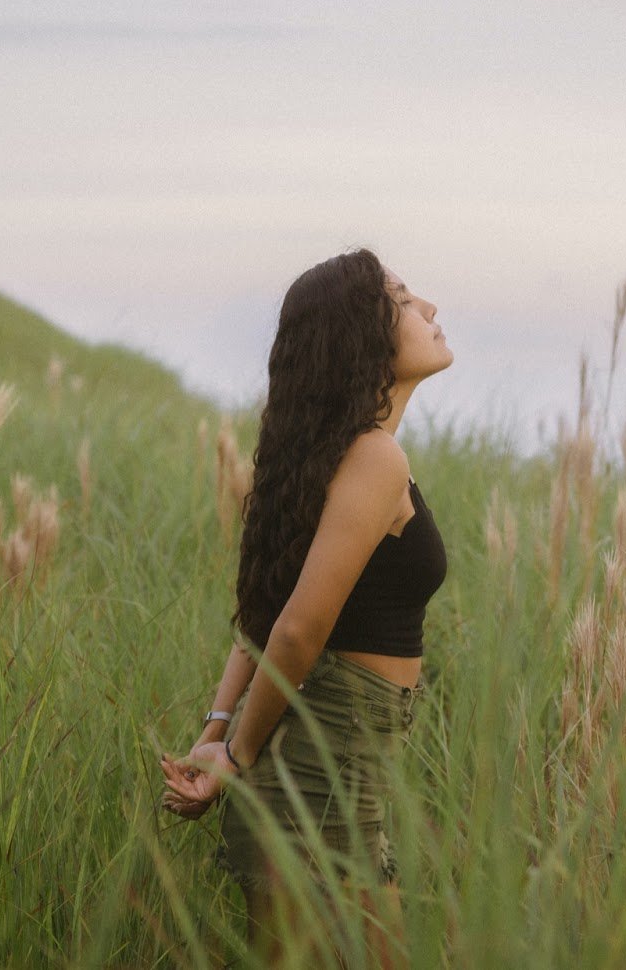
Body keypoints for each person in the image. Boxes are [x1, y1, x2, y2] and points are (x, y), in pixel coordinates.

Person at [159, 248, 453, 965]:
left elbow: (263, 619)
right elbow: (294, 629)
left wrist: (222, 730)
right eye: (406, 299)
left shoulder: (342, 455)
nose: (430, 309)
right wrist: (235, 751)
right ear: (364, 337)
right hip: (323, 763)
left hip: (330, 759)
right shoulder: (374, 460)